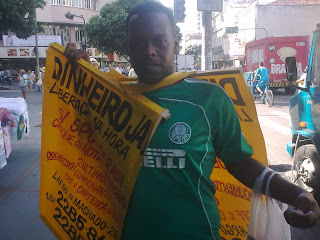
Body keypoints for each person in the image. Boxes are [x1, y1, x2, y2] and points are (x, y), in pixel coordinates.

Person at [64, 2, 320, 239]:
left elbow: (240, 164)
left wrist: (297, 194)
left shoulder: (209, 98)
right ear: (128, 46)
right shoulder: (109, 98)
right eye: (139, 43)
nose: (150, 51)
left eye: (159, 41)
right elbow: (76, 141)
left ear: (176, 42)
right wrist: (79, 73)